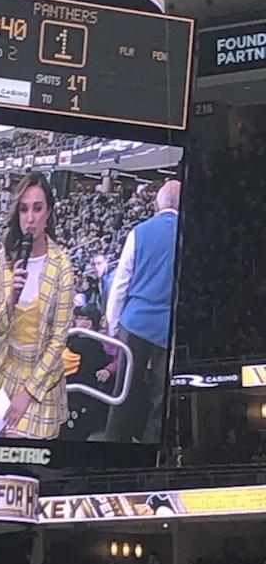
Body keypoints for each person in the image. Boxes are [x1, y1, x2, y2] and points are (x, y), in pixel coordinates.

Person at [0, 173, 74, 440]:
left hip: (41, 377)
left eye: (37, 208)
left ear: (49, 213)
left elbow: (58, 340)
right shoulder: (3, 259)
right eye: (23, 209)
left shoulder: (62, 266)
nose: (30, 218)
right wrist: (12, 297)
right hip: (4, 368)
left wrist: (28, 392)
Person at [105, 180, 181, 443]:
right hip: (169, 329)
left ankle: (114, 445)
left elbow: (120, 284)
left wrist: (114, 327)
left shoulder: (139, 232)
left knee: (124, 391)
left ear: (157, 203)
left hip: (134, 323)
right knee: (161, 398)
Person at [61, 304, 112, 440]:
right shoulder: (86, 342)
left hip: (78, 405)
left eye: (80, 318)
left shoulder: (85, 346)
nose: (76, 320)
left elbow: (59, 368)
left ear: (89, 323)